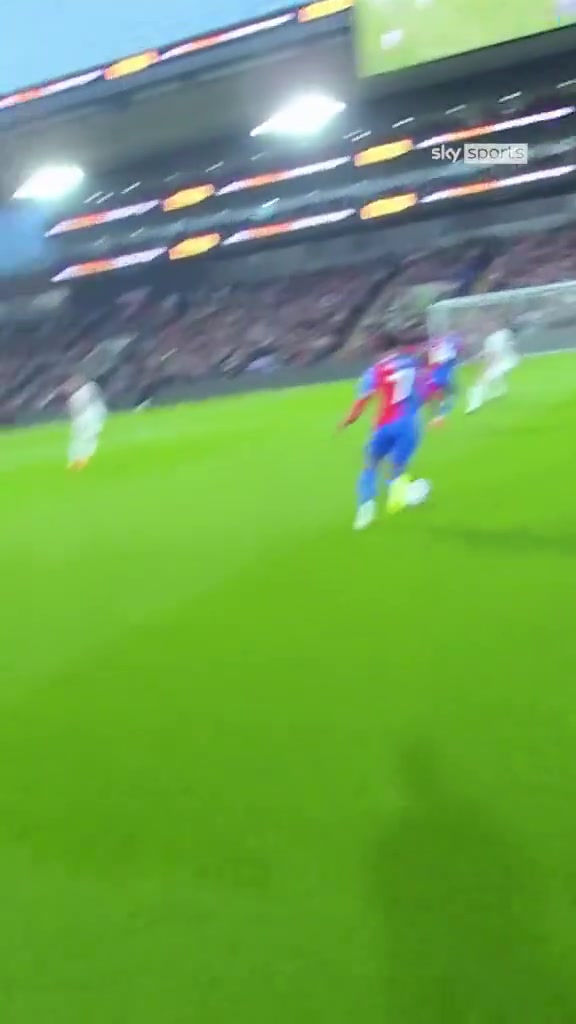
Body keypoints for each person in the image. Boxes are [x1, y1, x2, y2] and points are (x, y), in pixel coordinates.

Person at [340, 348, 428, 530]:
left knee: (370, 466)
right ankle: (404, 495)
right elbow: (424, 388)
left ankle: (366, 511)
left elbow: (362, 401)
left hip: (384, 425)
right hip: (408, 424)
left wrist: (347, 421)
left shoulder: (375, 371)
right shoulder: (410, 363)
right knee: (397, 469)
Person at [466, 322, 518, 413]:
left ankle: (473, 405)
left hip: (503, 363)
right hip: (511, 361)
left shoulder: (491, 339)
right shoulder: (503, 333)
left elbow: (492, 356)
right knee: (496, 376)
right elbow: (488, 351)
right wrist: (478, 356)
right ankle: (500, 391)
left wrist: (483, 370)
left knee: (481, 381)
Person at [65, 375, 108, 470]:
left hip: (82, 419)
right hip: (84, 418)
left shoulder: (77, 396)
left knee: (83, 438)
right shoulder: (85, 390)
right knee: (87, 437)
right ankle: (80, 459)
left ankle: (78, 460)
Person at [425, 332, 459, 424]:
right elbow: (431, 361)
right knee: (435, 391)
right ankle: (439, 409)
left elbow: (445, 360)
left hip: (440, 372)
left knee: (439, 389)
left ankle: (440, 408)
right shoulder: (434, 350)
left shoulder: (442, 349)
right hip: (436, 373)